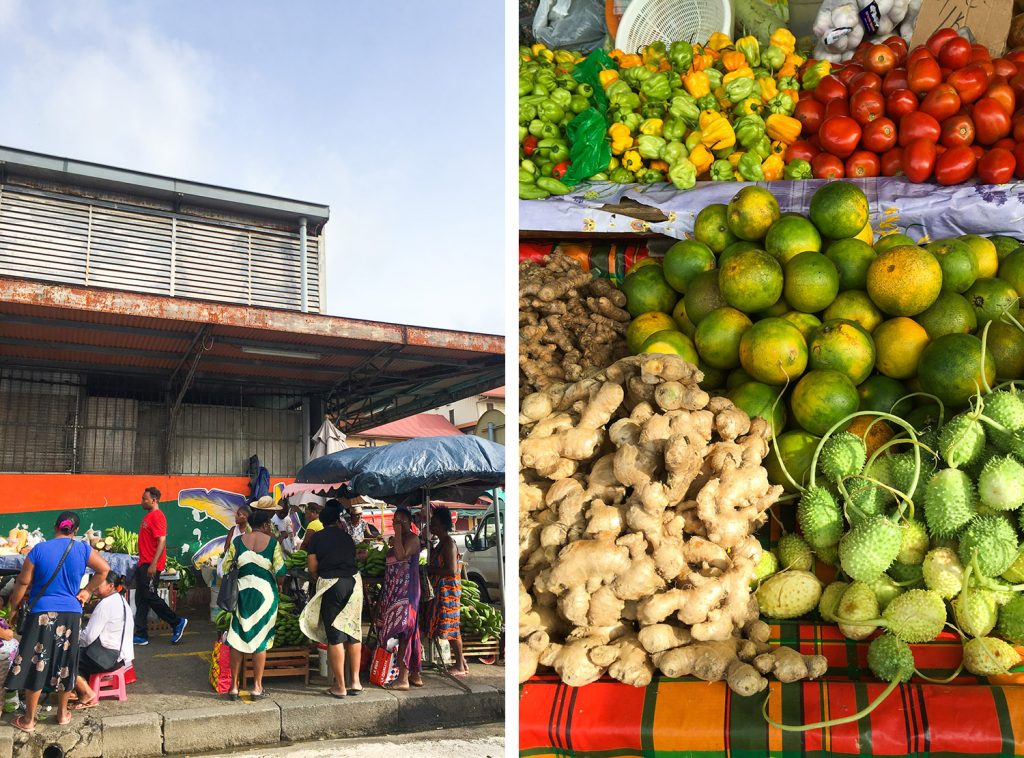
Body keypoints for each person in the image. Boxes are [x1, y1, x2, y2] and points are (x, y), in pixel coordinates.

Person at [5, 511, 110, 733]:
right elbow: (104, 569)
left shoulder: (39, 550)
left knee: (36, 662)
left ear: (55, 526)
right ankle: (62, 714)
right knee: (65, 663)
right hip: (71, 614)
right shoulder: (82, 548)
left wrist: (12, 609)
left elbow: (22, 584)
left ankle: (29, 720)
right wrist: (87, 591)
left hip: (41, 613)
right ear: (75, 531)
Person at [299, 501, 363, 698]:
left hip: (331, 584)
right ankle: (355, 682)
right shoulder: (346, 536)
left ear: (322, 520)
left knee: (335, 636)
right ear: (337, 520)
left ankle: (340, 686)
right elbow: (354, 558)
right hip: (354, 583)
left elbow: (311, 567)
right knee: (353, 632)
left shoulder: (317, 538)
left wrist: (319, 577)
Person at [222, 509, 286, 701]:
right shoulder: (273, 544)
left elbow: (225, 567)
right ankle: (257, 686)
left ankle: (234, 686)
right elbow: (281, 571)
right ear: (265, 525)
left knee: (237, 637)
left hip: (241, 594)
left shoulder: (237, 542)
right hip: (265, 596)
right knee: (261, 639)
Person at [374, 506, 422, 690]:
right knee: (410, 630)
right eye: (395, 520)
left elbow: (402, 555)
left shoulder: (413, 539)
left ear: (409, 523)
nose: (396, 523)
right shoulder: (397, 539)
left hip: (407, 592)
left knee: (404, 631)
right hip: (394, 591)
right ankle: (415, 674)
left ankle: (403, 678)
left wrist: (399, 533)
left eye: (400, 521)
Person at [133, 487, 187, 646]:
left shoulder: (157, 516)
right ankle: (141, 634)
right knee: (141, 599)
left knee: (149, 595)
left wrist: (153, 564)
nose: (142, 501)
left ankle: (176, 622)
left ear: (154, 500)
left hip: (150, 564)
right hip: (143, 563)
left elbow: (162, 541)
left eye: (145, 498)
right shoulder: (149, 516)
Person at [72, 571, 133, 709]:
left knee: (64, 658)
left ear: (110, 586)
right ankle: (78, 689)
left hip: (107, 659)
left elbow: (88, 638)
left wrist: (75, 638)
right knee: (78, 653)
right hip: (122, 659)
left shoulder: (105, 604)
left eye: (99, 583)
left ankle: (87, 693)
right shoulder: (121, 600)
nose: (94, 587)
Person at [426, 505, 468, 677]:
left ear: (443, 525)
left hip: (448, 592)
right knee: (449, 627)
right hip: (441, 591)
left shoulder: (449, 544)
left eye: (434, 523)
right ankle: (462, 662)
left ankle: (459, 665)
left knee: (452, 629)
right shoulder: (440, 543)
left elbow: (451, 570)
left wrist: (430, 570)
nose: (431, 526)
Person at [218, 505, 252, 577]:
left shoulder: (250, 532)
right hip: (231, 564)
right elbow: (226, 548)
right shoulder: (233, 530)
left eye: (238, 515)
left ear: (245, 517)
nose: (235, 516)